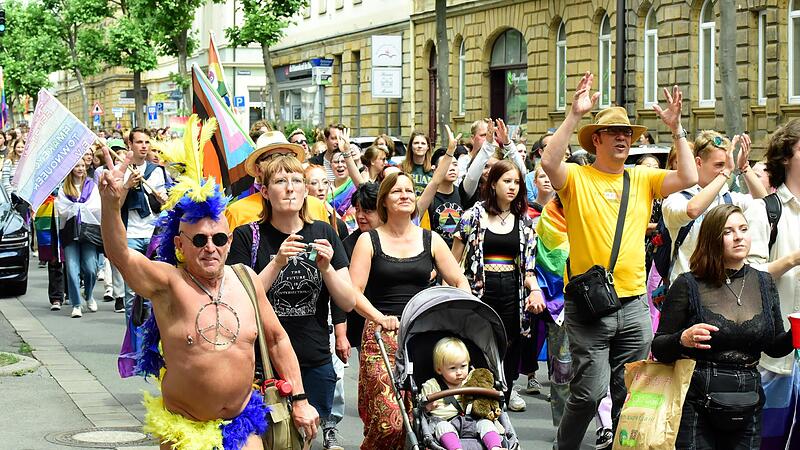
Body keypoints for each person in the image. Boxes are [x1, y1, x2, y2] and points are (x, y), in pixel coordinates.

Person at [97, 122, 318, 450]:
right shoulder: (168, 285)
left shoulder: (245, 279)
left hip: (242, 425)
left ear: (229, 242)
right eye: (199, 239)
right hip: (185, 429)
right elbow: (121, 256)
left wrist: (300, 400)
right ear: (180, 245)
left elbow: (276, 339)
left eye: (218, 239)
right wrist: (111, 204)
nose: (209, 247)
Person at [540, 73, 698, 448]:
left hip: (634, 306)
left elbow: (690, 175)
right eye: (613, 131)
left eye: (627, 132)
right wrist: (574, 115)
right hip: (590, 306)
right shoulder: (577, 178)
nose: (624, 137)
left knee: (631, 393)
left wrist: (676, 129)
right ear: (597, 139)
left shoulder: (641, 177)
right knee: (589, 394)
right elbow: (549, 161)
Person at [226, 154, 355, 449]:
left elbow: (347, 301)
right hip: (262, 365)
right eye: (281, 181)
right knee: (266, 441)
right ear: (265, 191)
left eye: (297, 181)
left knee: (301, 443)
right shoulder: (248, 236)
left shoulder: (322, 231)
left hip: (314, 360)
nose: (290, 188)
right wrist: (278, 262)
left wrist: (326, 268)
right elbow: (241, 298)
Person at [652, 204, 794, 449]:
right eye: (728, 232)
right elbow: (659, 347)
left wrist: (795, 335)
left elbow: (774, 347)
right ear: (712, 239)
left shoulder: (764, 283)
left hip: (748, 400)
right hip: (697, 402)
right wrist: (682, 340)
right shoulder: (688, 284)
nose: (739, 237)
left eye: (743, 229)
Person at [349, 171, 470, 449]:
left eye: (409, 191)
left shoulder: (431, 240)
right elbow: (354, 293)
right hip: (382, 333)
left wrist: (463, 307)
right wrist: (380, 318)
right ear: (384, 201)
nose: (405, 195)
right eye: (396, 191)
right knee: (391, 422)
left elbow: (458, 279)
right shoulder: (368, 241)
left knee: (421, 416)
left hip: (422, 333)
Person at [452, 159, 539, 413]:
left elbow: (529, 269)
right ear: (492, 184)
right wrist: (454, 292)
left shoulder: (524, 222)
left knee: (510, 348)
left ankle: (502, 401)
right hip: (480, 294)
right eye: (506, 181)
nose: (512, 187)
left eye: (516, 182)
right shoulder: (473, 216)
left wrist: (534, 290)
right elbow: (454, 261)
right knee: (478, 348)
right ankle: (475, 407)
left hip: (513, 293)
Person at [746, 118, 800, 448]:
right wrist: (794, 259)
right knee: (770, 440)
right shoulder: (765, 211)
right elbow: (746, 279)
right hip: (776, 356)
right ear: (785, 157)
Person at [661, 131, 768, 286]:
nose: (725, 170)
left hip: (722, 291)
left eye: (726, 165)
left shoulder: (728, 198)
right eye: (719, 165)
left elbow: (765, 204)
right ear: (698, 162)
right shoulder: (677, 198)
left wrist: (745, 167)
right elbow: (692, 210)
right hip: (686, 291)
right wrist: (725, 173)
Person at [225, 131, 331, 231]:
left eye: (289, 156)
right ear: (258, 169)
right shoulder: (237, 213)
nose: (283, 163)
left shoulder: (315, 205)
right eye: (275, 157)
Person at [116, 128, 168, 318]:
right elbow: (116, 205)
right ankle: (132, 342)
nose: (144, 146)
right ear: (130, 144)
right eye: (139, 142)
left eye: (147, 142)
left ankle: (148, 342)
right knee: (132, 292)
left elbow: (163, 206)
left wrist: (163, 199)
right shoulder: (121, 170)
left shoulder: (157, 172)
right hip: (130, 236)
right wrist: (127, 186)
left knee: (153, 291)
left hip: (153, 234)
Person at [422, 337, 507, 450]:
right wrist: (428, 406)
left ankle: (495, 447)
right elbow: (422, 407)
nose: (459, 372)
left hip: (473, 419)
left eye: (463, 366)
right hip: (446, 421)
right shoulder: (432, 385)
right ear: (439, 369)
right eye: (453, 368)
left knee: (487, 424)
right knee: (442, 428)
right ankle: (455, 448)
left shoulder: (472, 380)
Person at [56, 160, 103, 318]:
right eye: (77, 166)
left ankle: (88, 295)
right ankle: (76, 304)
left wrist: (81, 207)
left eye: (82, 166)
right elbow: (61, 208)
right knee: (71, 268)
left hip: (88, 231)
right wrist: (74, 207)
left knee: (91, 268)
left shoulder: (91, 186)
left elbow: (96, 206)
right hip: (70, 232)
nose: (80, 169)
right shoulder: (64, 188)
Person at [459, 119, 526, 211]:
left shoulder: (509, 188)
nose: (490, 171)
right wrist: (488, 144)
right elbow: (472, 177)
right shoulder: (470, 188)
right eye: (485, 166)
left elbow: (521, 173)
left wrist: (507, 142)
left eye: (495, 167)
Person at [402, 131, 435, 196]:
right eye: (416, 143)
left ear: (428, 147)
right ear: (411, 146)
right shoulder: (401, 167)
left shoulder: (434, 169)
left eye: (423, 143)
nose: (419, 146)